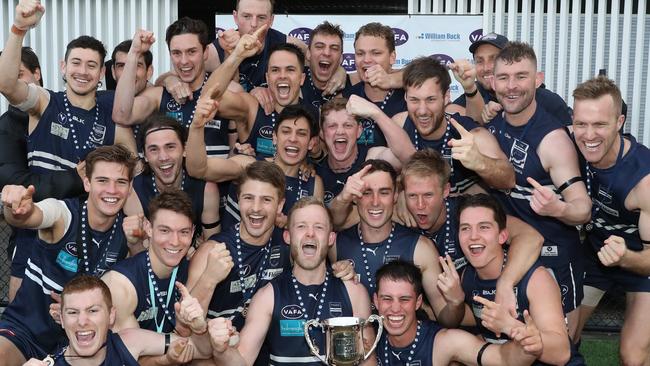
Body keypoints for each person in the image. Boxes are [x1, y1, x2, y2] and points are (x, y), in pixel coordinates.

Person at [483, 42, 591, 334]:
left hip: (552, 255)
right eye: (503, 77)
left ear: (538, 80)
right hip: (511, 254)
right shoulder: (493, 126)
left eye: (521, 76)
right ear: (492, 82)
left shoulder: (553, 140)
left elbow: (582, 208)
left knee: (560, 346)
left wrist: (560, 208)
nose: (512, 86)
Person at [0, 145, 137, 365]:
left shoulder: (127, 233)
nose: (112, 190)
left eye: (120, 182)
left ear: (130, 188)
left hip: (84, 342)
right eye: (102, 180)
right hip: (27, 332)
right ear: (87, 183)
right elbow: (34, 215)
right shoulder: (64, 216)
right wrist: (15, 207)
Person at [208, 197, 375, 366]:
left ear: (331, 238)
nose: (310, 233)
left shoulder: (354, 292)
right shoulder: (268, 296)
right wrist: (221, 350)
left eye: (319, 227)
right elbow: (241, 361)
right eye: (301, 226)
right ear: (287, 236)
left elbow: (368, 362)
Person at [401, 149, 543, 312]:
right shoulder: (400, 218)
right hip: (452, 317)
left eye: (428, 195)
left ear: (446, 191)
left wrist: (505, 283)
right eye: (412, 196)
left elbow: (531, 237)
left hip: (492, 307)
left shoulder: (467, 211)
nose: (420, 205)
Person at [0, 0, 136, 172]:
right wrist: (19, 28)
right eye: (76, 63)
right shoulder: (44, 101)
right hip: (41, 199)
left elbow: (135, 174)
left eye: (91, 65)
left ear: (102, 72)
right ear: (63, 66)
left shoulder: (114, 123)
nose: (83, 71)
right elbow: (6, 85)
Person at [571, 77, 650, 365]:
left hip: (640, 264)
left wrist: (626, 256)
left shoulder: (643, 182)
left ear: (619, 122)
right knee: (561, 337)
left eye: (600, 125)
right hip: (595, 257)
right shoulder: (569, 142)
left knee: (632, 356)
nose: (589, 135)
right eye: (581, 124)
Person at [330, 159, 464, 327]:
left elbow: (447, 319)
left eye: (384, 192)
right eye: (367, 192)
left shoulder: (421, 248)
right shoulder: (335, 244)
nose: (375, 201)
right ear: (355, 197)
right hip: (357, 345)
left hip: (406, 348)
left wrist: (456, 303)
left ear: (395, 196)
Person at [456, 194, 576, 365]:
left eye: (484, 227)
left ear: (502, 236)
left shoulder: (536, 278)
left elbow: (561, 353)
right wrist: (454, 301)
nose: (473, 236)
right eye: (465, 228)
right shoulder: (467, 276)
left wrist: (509, 325)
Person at [186, 96, 323, 228]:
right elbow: (198, 169)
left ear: (311, 143)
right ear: (275, 137)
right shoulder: (249, 166)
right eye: (286, 131)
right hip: (229, 251)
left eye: (301, 133)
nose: (293, 139)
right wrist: (196, 127)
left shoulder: (313, 184)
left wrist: (290, 225)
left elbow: (316, 230)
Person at [374, 260, 540, 366]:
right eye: (387, 298)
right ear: (376, 301)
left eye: (404, 299)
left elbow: (502, 359)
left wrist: (526, 346)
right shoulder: (367, 339)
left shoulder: (443, 341)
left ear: (418, 302)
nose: (395, 308)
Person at [22, 274, 212, 365]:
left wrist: (198, 325)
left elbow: (202, 351)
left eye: (93, 310)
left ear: (111, 316)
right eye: (72, 312)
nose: (82, 321)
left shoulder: (129, 342)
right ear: (62, 320)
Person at [393, 56, 515, 194]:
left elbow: (509, 179)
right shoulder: (399, 125)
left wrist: (480, 162)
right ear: (405, 98)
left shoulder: (467, 133)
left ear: (446, 97)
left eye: (431, 99)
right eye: (414, 100)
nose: (422, 110)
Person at [112, 21, 230, 159]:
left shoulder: (227, 91)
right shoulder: (159, 94)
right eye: (176, 53)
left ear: (205, 52)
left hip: (214, 178)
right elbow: (121, 115)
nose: (184, 61)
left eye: (191, 52)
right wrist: (134, 52)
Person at [199, 29, 317, 158]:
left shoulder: (314, 114)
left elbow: (323, 156)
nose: (282, 76)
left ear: (302, 78)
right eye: (275, 70)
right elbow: (208, 98)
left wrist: (308, 166)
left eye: (290, 70)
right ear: (267, 78)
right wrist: (237, 56)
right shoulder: (252, 108)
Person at [128, 114, 221, 241]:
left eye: (170, 147)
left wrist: (197, 254)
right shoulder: (134, 192)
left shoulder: (206, 189)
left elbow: (213, 245)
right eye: (154, 149)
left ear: (184, 149)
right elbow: (140, 251)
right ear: (144, 156)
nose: (163, 157)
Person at [451, 32, 572, 126]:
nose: (486, 67)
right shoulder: (474, 91)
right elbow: (453, 114)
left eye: (494, 59)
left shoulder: (546, 99)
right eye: (479, 61)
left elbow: (573, 131)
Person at [315, 97, 413, 212]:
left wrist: (376, 113)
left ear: (359, 131)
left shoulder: (372, 158)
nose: (340, 131)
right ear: (322, 133)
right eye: (332, 126)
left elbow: (410, 159)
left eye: (348, 125)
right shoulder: (315, 173)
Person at [342, 22, 407, 147]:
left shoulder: (410, 99)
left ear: (392, 57)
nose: (366, 60)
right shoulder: (346, 97)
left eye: (376, 53)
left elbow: (432, 72)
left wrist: (391, 80)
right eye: (360, 53)